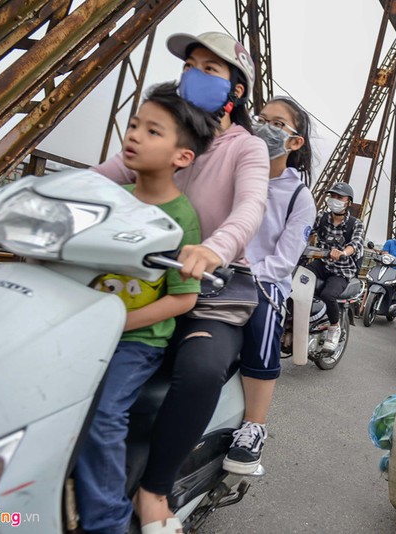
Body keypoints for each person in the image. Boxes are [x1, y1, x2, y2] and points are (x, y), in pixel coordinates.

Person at [92, 31, 269, 532]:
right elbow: (98, 177)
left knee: (199, 368)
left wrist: (214, 247)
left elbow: (250, 207)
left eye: (209, 69)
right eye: (190, 65)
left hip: (214, 283)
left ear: (237, 90)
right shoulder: (164, 135)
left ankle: (154, 490)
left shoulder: (247, 148)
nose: (193, 74)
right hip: (144, 274)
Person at [74, 82, 216, 534]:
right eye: (133, 125)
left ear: (182, 157)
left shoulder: (181, 218)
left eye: (152, 131)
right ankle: (8, 511)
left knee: (102, 416)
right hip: (83, 326)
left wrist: (117, 322)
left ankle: (106, 522)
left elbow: (183, 297)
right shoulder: (109, 198)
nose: (133, 135)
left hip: (135, 340)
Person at [221, 96, 317, 475]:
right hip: (218, 267)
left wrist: (248, 273)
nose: (263, 126)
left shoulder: (299, 196)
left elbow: (284, 260)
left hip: (262, 279)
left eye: (276, 124)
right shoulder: (235, 171)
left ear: (295, 142)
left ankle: (254, 426)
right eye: (260, 118)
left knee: (263, 317)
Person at [306, 182, 365, 351]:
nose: (334, 200)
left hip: (341, 269)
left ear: (348, 202)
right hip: (322, 263)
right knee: (298, 280)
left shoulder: (356, 224)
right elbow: (306, 230)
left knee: (328, 294)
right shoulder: (322, 217)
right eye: (332, 196)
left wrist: (343, 252)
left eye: (340, 197)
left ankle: (334, 327)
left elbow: (356, 243)